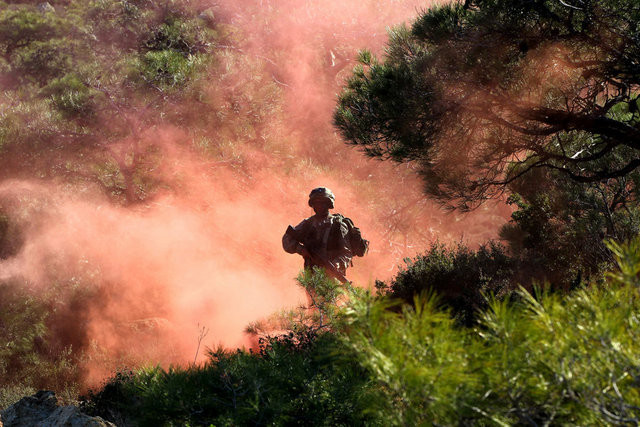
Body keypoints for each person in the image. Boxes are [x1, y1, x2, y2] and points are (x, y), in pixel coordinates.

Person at [282, 187, 368, 281]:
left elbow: (347, 253)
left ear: (328, 204)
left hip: (332, 277)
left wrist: (337, 264)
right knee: (313, 296)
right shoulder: (308, 223)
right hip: (312, 276)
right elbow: (287, 239)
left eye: (322, 203)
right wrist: (301, 250)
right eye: (316, 203)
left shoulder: (338, 224)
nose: (318, 205)